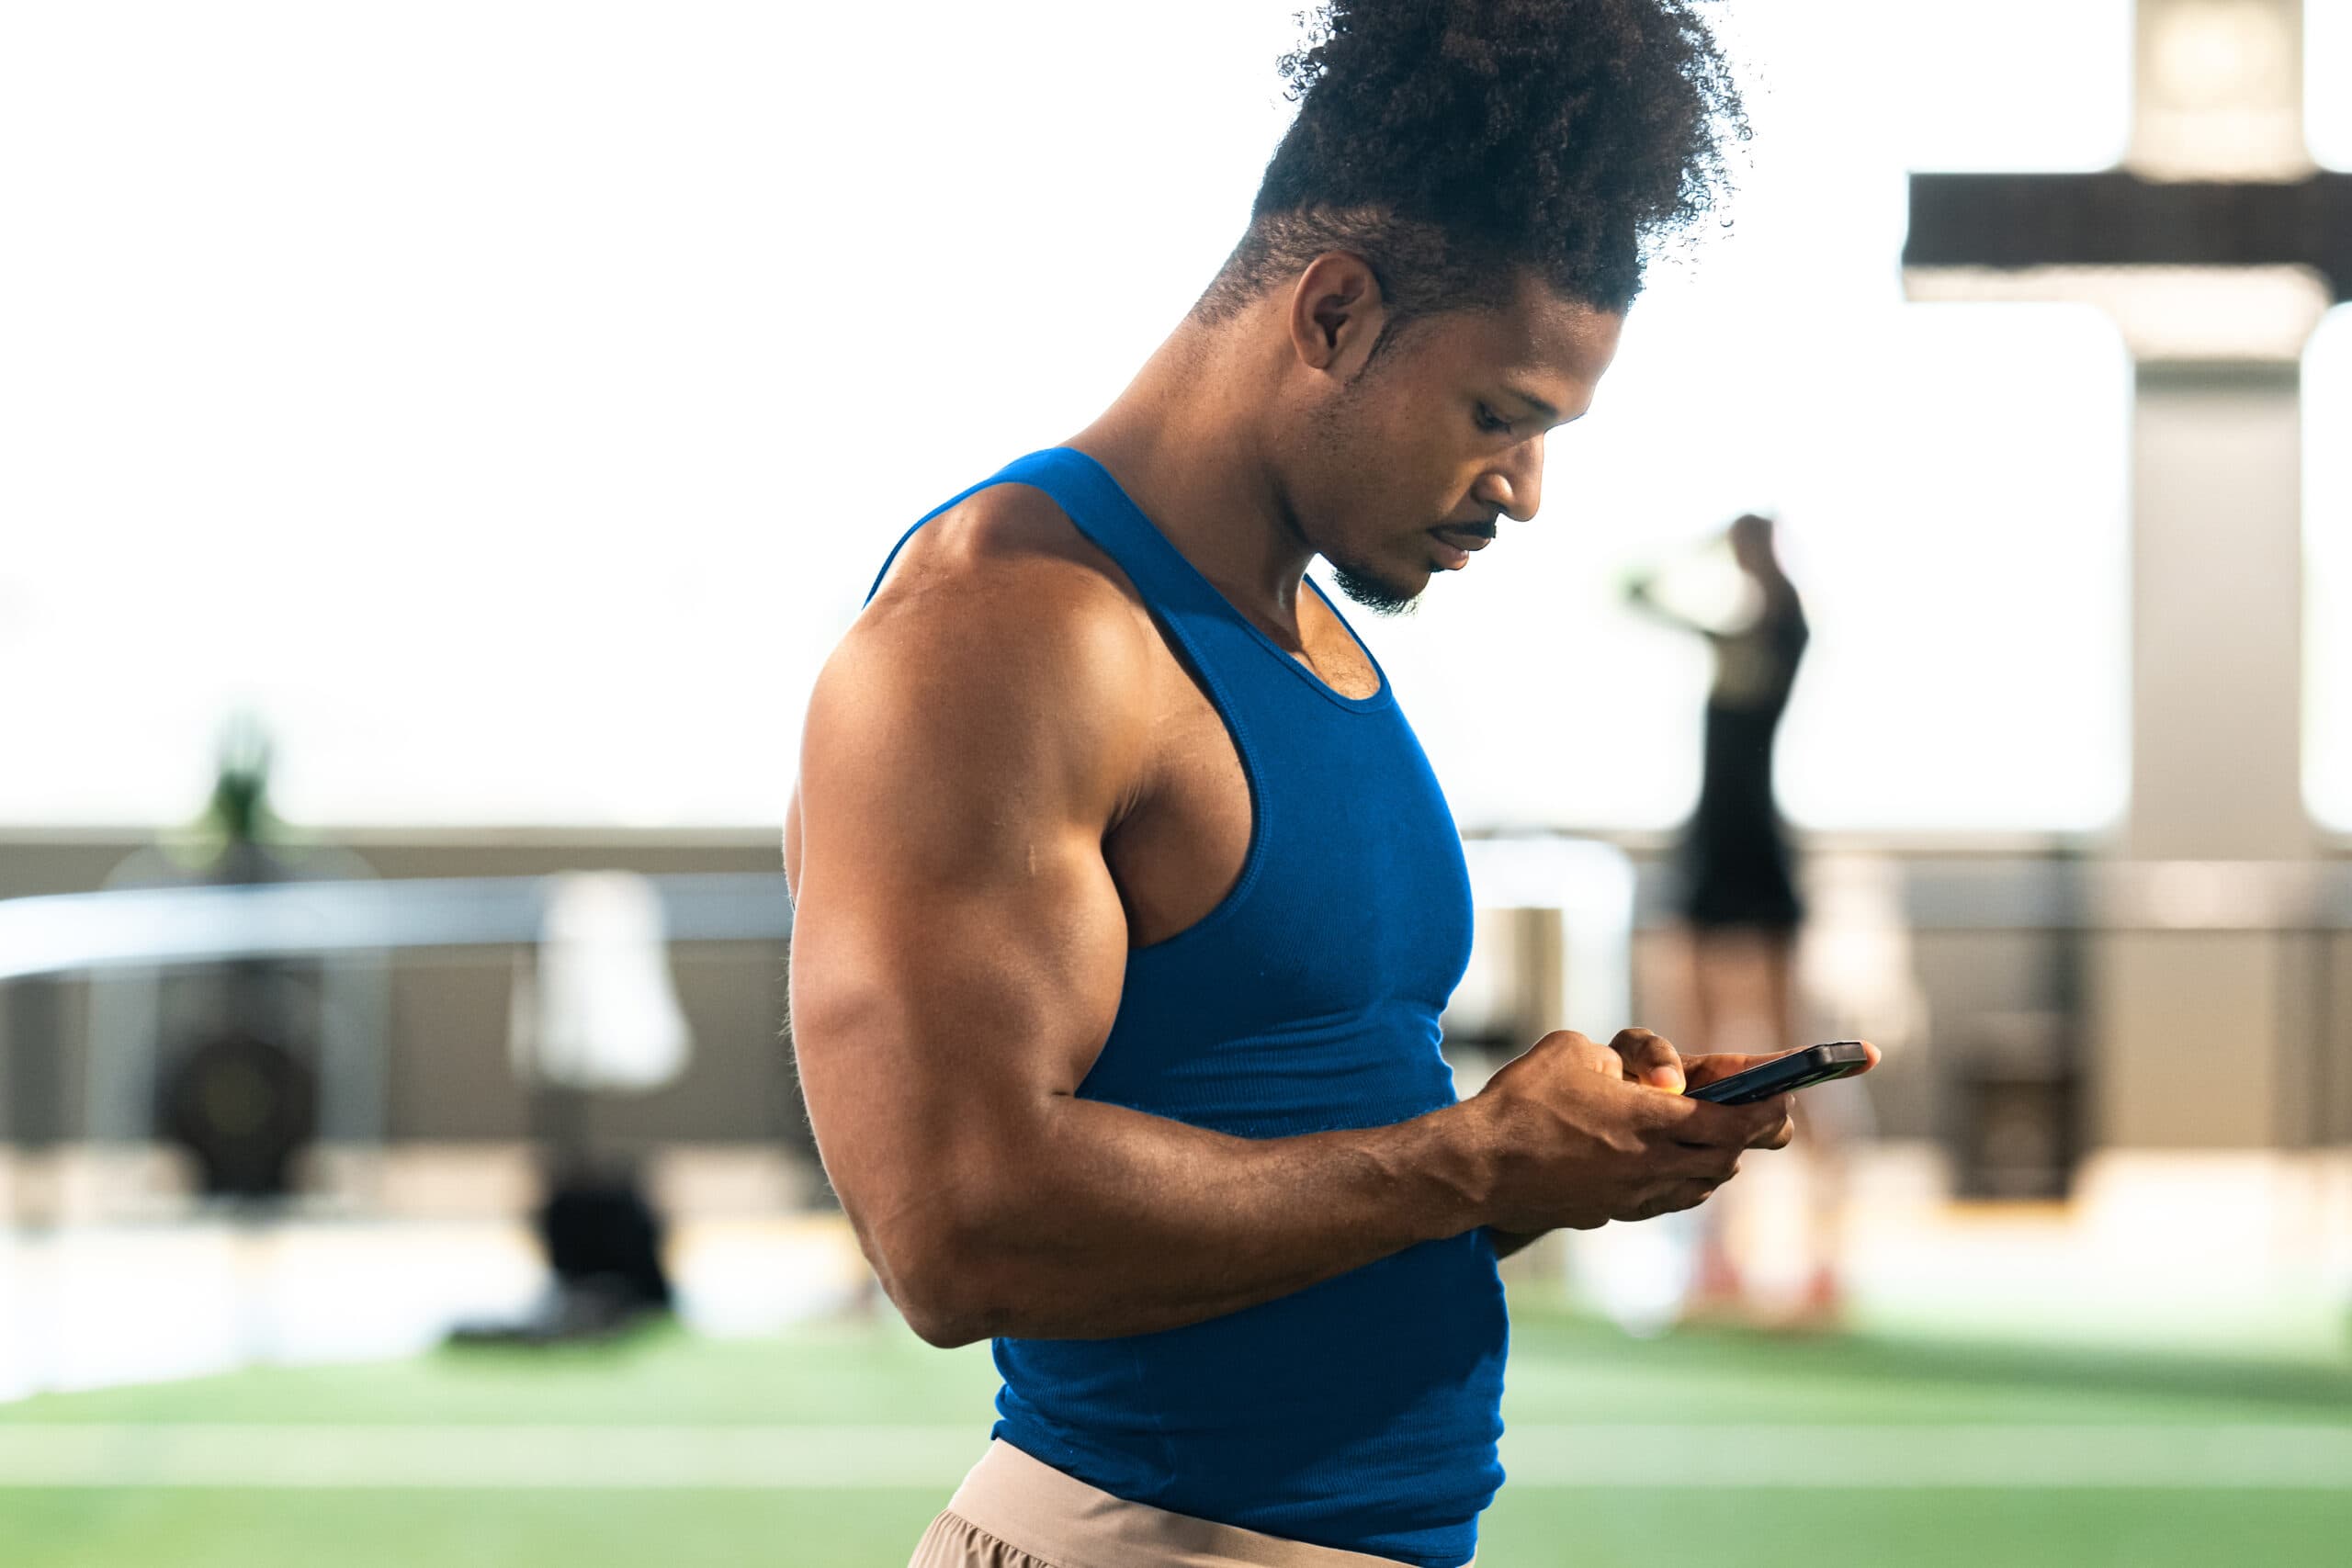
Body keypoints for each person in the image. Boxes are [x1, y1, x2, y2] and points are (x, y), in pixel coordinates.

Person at [785, 5, 1878, 1566]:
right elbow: (958, 1230)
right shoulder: (1002, 631)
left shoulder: (1313, 635)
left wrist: (1554, 1160)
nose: (1526, 490)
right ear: (1336, 314)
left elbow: (1310, 1162)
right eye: (1500, 416)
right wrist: (1473, 1154)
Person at [1624, 513, 1838, 1324]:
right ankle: (1715, 1260)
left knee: (1798, 1057)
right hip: (1710, 863)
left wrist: (1751, 549)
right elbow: (1635, 591)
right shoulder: (1726, 646)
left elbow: (1783, 609)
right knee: (1698, 1069)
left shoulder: (1780, 640)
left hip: (1758, 862)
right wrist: (1705, 543)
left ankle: (1823, 1259)